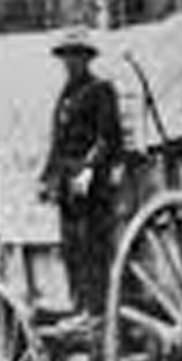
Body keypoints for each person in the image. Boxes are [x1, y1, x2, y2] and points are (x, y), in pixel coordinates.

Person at [39, 26, 123, 322]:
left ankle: (95, 308)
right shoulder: (65, 96)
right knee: (70, 245)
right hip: (66, 180)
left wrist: (89, 169)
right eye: (66, 57)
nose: (70, 62)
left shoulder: (100, 90)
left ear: (87, 59)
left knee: (92, 244)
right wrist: (46, 177)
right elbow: (57, 142)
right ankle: (79, 305)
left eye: (76, 57)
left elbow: (107, 137)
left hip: (91, 181)